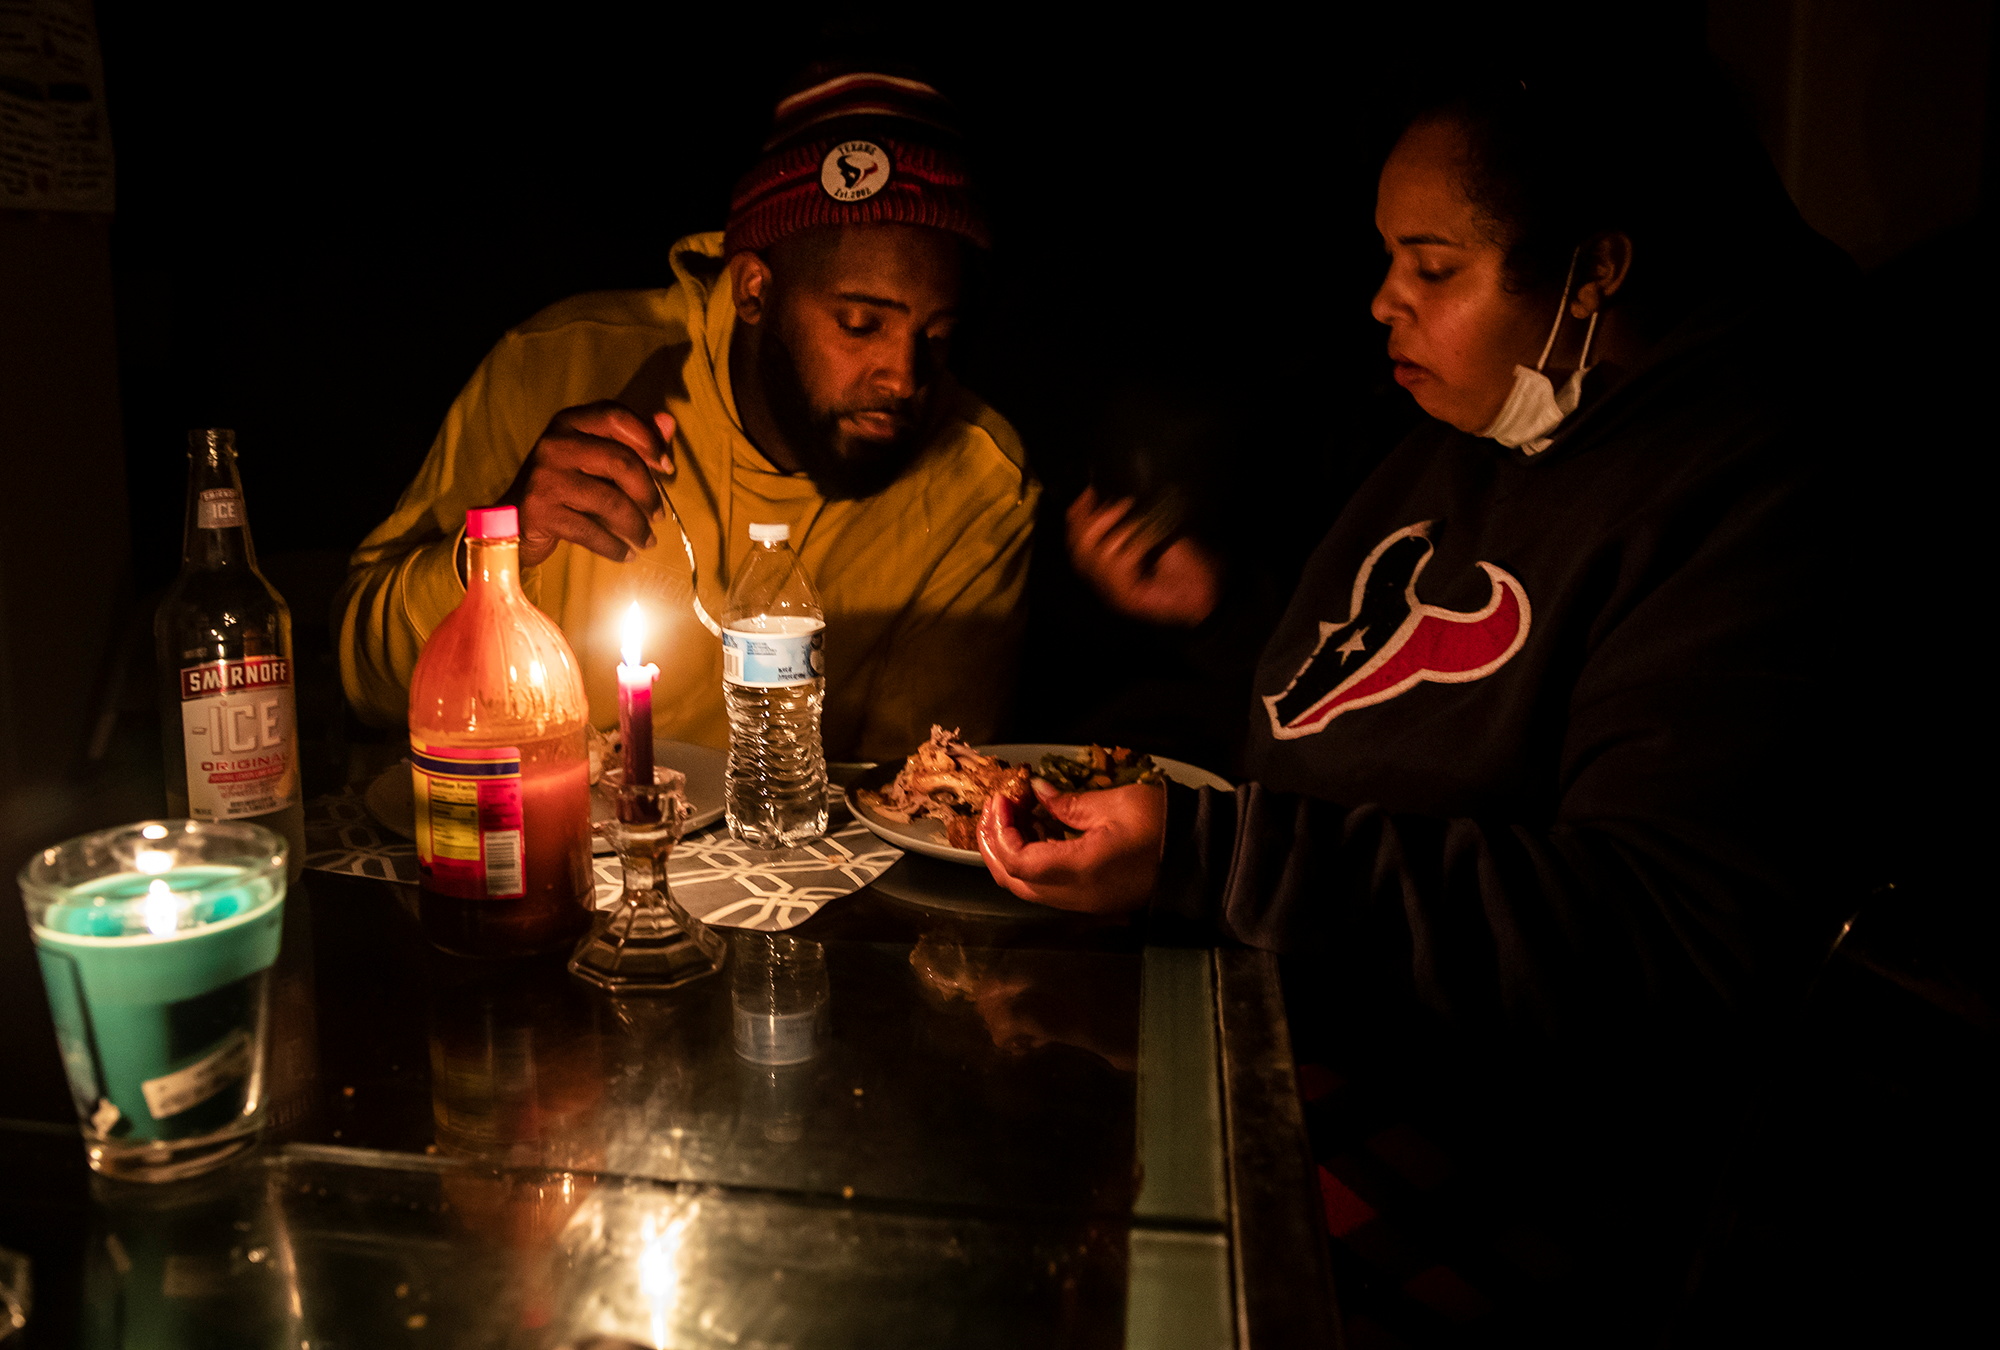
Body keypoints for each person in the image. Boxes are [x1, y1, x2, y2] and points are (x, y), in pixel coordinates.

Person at [981, 68, 1860, 1338]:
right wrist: (1229, 622)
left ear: (1592, 270)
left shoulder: (1747, 503)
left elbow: (1662, 928)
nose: (1381, 301)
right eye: (1386, 257)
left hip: (1489, 1141)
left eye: (1432, 266)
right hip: (1292, 1009)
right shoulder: (1480, 428)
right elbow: (1413, 729)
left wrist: (1215, 857)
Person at [337, 69, 1037, 761]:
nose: (905, 375)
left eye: (938, 335)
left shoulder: (977, 482)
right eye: (859, 324)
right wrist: (498, 553)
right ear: (755, 289)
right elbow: (364, 684)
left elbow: (919, 800)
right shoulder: (556, 366)